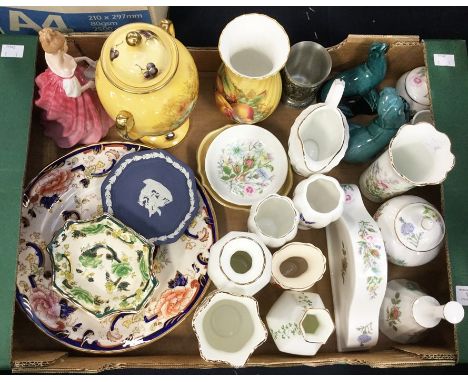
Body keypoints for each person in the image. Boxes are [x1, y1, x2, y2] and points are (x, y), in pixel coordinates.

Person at [35, 28, 113, 148]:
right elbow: (75, 93)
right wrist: (89, 85)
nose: (67, 44)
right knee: (81, 117)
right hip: (72, 90)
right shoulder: (68, 76)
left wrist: (84, 58)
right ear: (60, 50)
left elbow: (68, 60)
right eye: (65, 43)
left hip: (55, 81)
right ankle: (85, 133)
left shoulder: (50, 53)